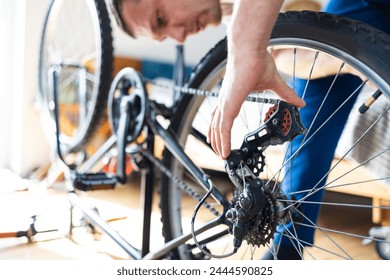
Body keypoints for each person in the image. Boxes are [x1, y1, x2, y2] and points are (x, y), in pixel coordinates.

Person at [109, 0, 390, 259]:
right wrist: (354, 64)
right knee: (307, 103)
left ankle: (287, 244)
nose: (179, 37)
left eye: (161, 19)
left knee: (317, 75)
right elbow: (296, 39)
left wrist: (248, 48)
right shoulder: (230, 12)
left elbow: (306, 16)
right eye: (164, 36)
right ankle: (288, 245)